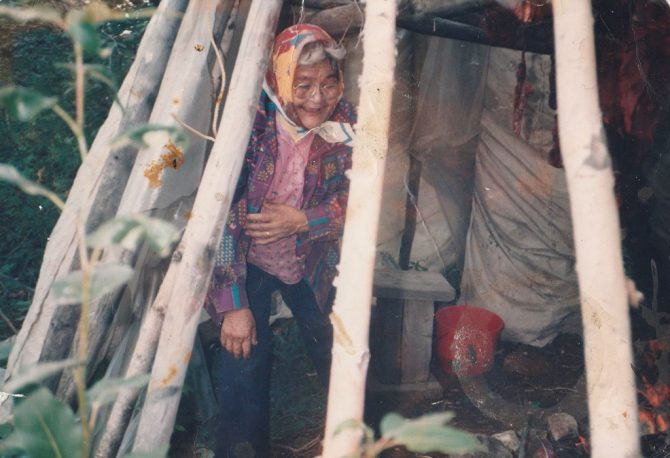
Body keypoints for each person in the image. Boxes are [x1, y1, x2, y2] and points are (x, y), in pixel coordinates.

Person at [204, 24, 356, 458]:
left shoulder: (346, 123)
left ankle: (355, 441)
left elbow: (364, 200)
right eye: (302, 83)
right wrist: (233, 304)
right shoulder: (249, 125)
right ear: (276, 78)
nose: (317, 97)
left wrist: (302, 220)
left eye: (328, 83)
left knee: (338, 348)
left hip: (311, 257)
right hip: (246, 261)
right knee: (243, 357)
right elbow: (220, 215)